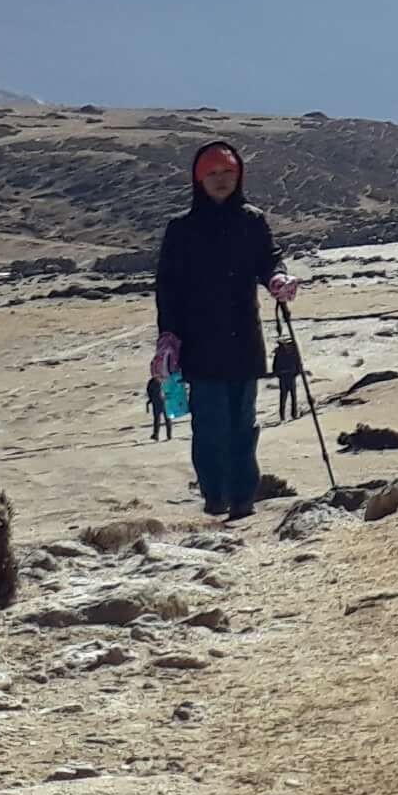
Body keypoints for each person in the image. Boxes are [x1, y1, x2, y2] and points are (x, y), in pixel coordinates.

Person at [152, 139, 296, 518]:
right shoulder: (181, 229)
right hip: (199, 343)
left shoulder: (252, 220)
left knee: (243, 422)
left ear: (239, 174)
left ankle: (243, 498)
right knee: (210, 422)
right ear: (199, 179)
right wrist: (168, 336)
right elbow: (168, 286)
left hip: (244, 339)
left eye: (227, 172)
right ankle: (215, 496)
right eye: (212, 173)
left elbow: (269, 259)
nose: (221, 179)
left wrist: (278, 279)